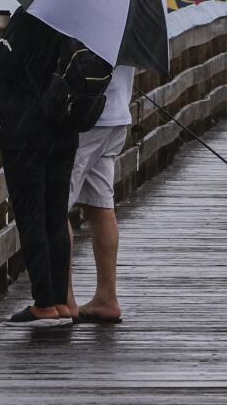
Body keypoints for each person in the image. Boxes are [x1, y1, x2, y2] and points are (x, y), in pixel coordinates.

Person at [0, 9, 76, 327]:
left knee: (31, 217)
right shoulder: (74, 19)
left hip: (26, 134)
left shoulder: (31, 17)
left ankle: (44, 304)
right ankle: (61, 302)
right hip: (64, 131)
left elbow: (0, 67)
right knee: (55, 216)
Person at [66, 64, 135, 324]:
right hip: (116, 114)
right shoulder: (127, 24)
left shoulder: (87, 23)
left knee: (54, 207)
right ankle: (106, 298)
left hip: (85, 116)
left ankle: (64, 299)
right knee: (100, 206)